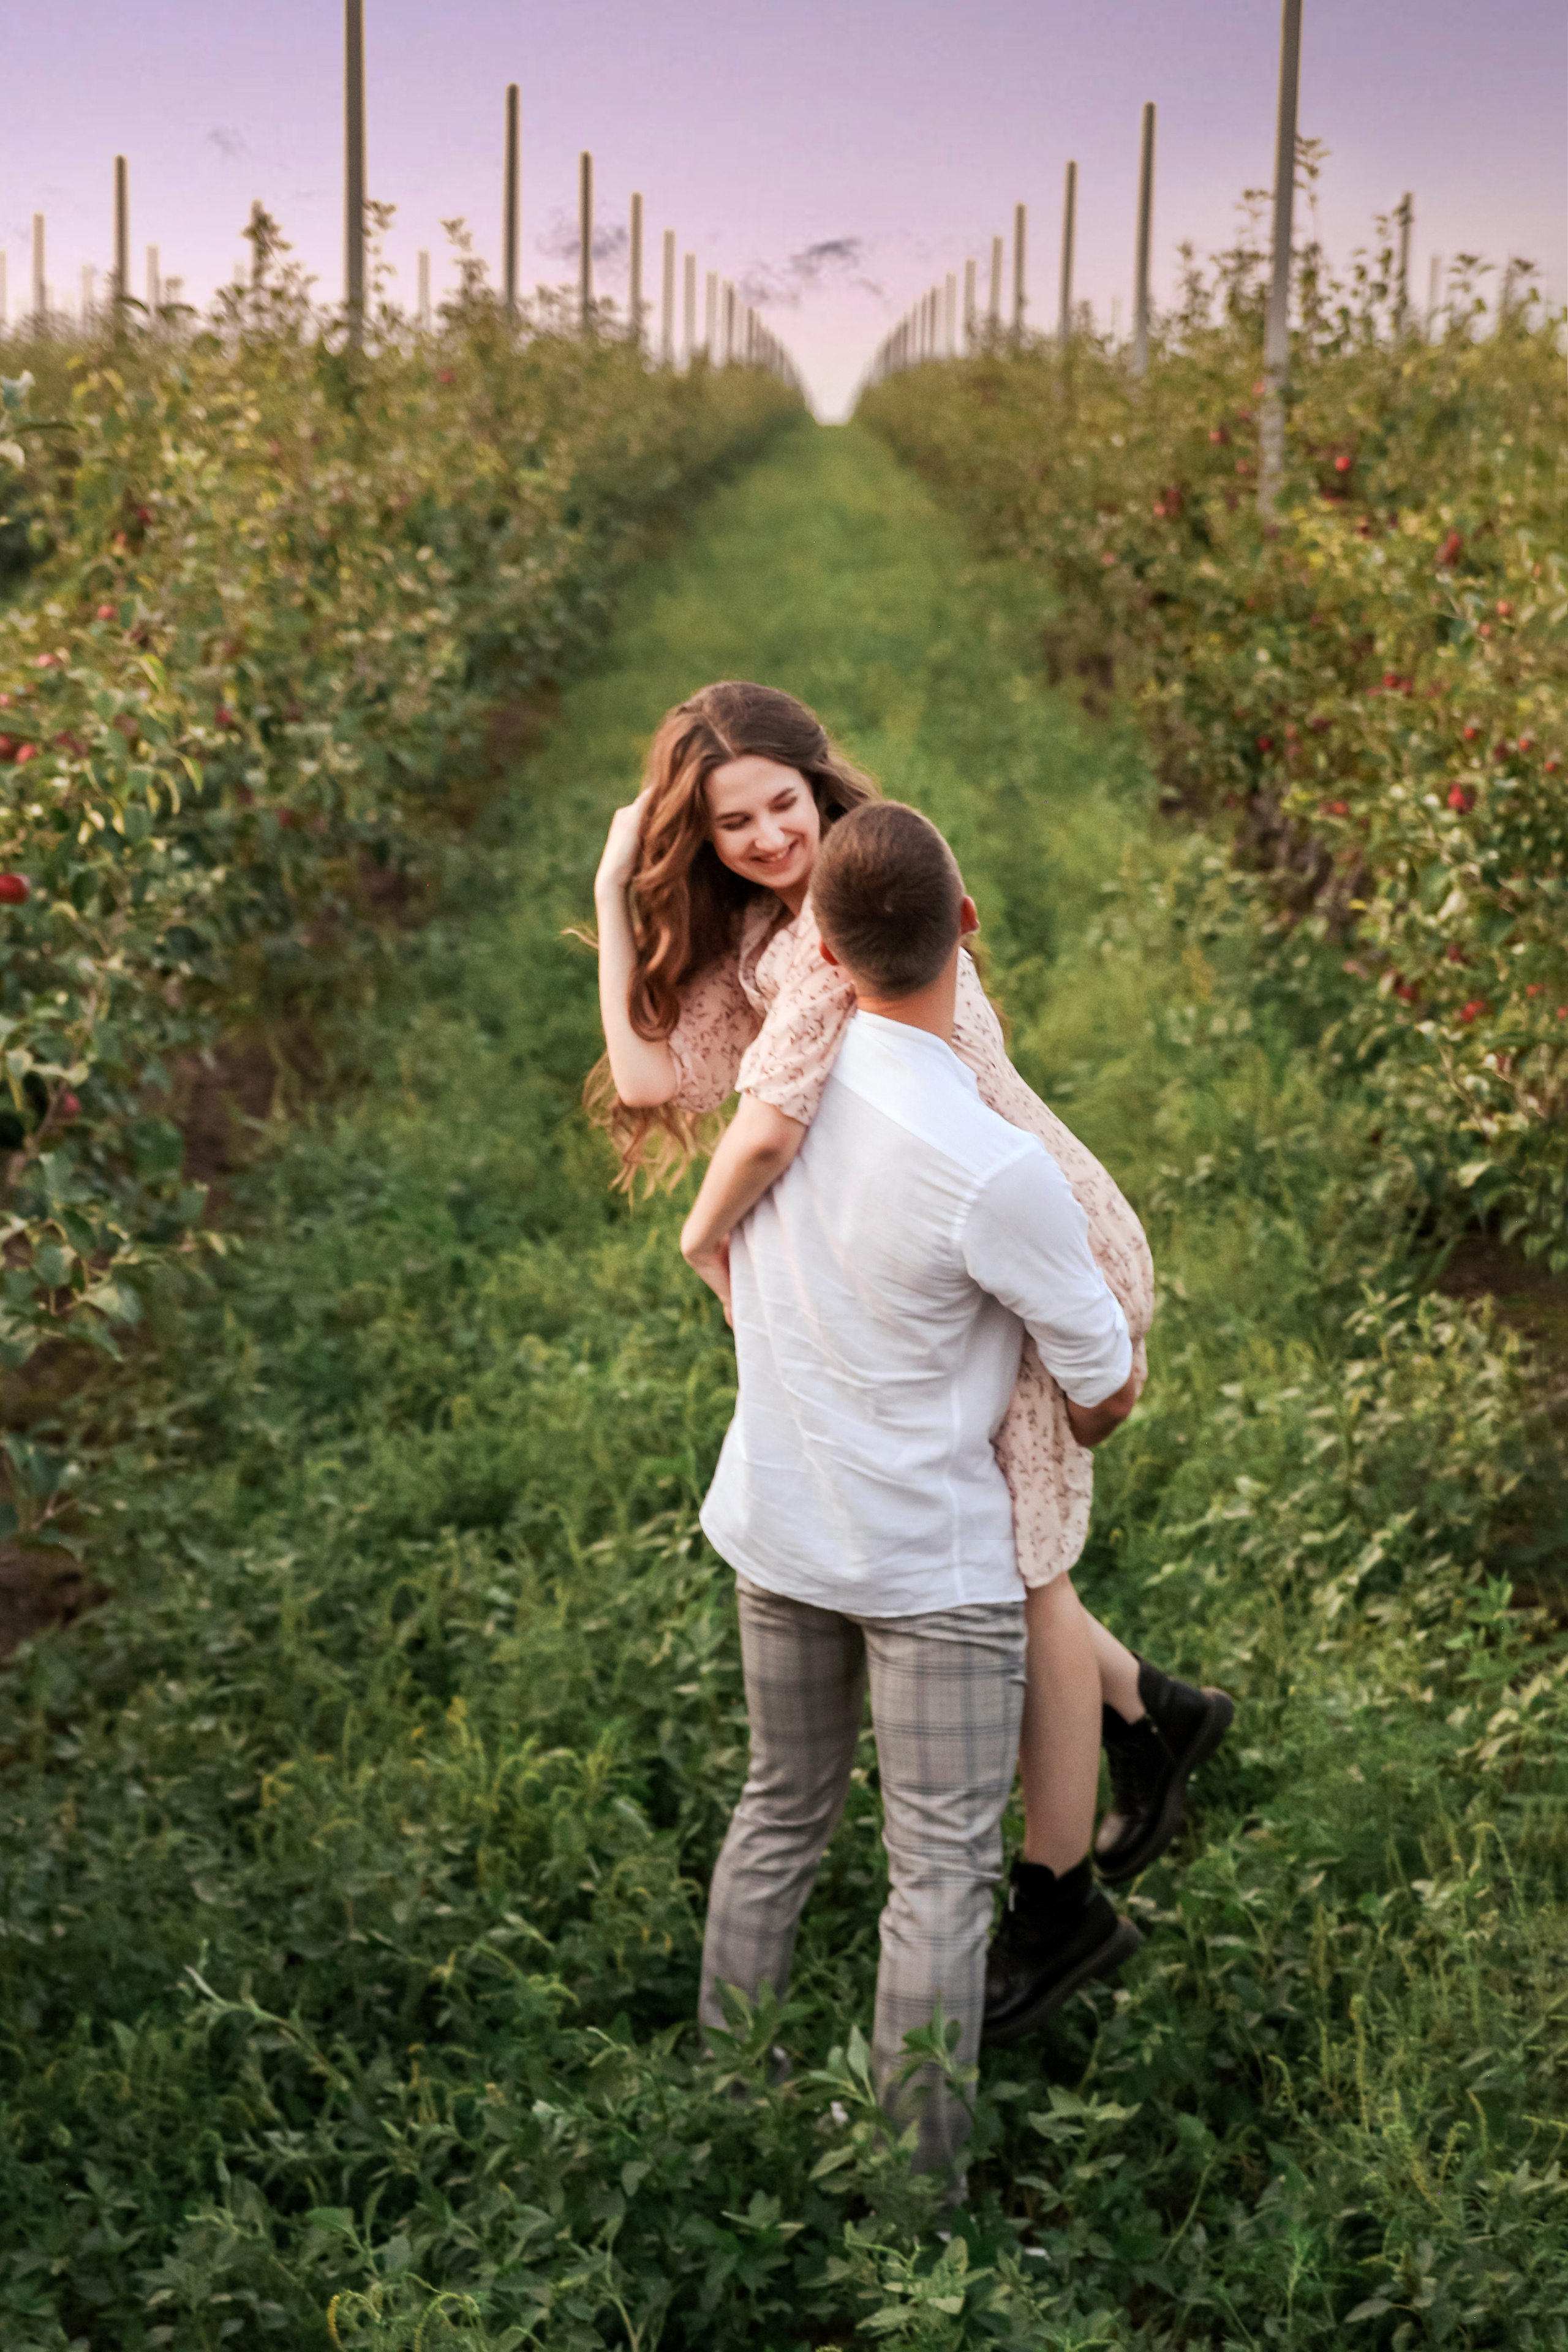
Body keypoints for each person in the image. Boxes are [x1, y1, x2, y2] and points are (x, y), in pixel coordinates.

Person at [589, 681, 1233, 2040]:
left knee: (1025, 1570)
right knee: (1018, 1557)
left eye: (784, 805)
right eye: (733, 825)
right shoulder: (770, 928)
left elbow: (767, 1128)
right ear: (698, 840)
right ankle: (1149, 1715)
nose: (770, 838)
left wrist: (706, 1241)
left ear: (820, 785)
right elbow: (649, 1082)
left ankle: (1057, 1904)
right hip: (960, 1236)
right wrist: (610, 891)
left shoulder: (845, 926)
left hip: (1027, 1236)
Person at [696, 797, 1139, 2171]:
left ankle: (729, 2093)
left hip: (778, 1524)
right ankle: (913, 2189)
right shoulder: (991, 1165)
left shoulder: (779, 1108)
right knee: (938, 1876)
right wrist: (1073, 1414)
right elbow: (1106, 1378)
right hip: (927, 1571)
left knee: (778, 1810)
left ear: (820, 952)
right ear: (967, 926)